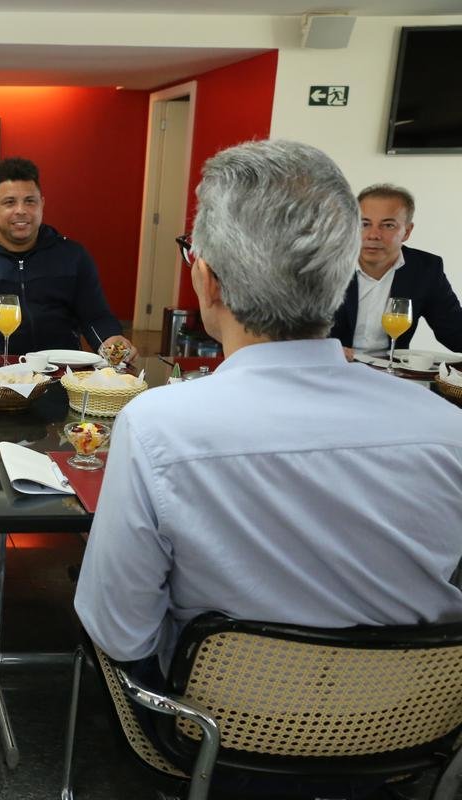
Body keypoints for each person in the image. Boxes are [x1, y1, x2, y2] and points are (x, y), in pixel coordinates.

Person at [74, 141, 462, 746]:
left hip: (215, 731)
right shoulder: (446, 427)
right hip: (408, 725)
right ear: (343, 271)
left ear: (208, 279)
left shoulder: (157, 426)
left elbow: (118, 628)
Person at [0, 157, 134, 593]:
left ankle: (99, 553)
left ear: (42, 204)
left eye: (30, 201)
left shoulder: (72, 256)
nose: (20, 210)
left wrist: (111, 341)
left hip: (60, 385)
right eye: (9, 202)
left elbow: (95, 316)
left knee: (81, 464)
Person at [330, 183, 462, 356]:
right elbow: (290, 330)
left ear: (407, 231)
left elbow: (455, 335)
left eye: (388, 225)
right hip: (333, 369)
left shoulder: (425, 269)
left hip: (393, 373)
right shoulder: (324, 263)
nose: (373, 235)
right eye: (365, 224)